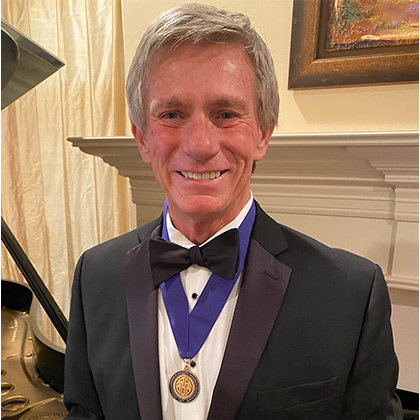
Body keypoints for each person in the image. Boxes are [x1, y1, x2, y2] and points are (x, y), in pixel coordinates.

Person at [64, 4, 403, 419]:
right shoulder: (95, 276)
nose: (200, 145)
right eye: (172, 114)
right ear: (142, 139)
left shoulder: (351, 294)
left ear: (263, 133)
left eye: (225, 114)